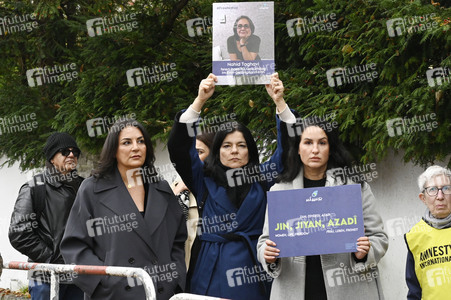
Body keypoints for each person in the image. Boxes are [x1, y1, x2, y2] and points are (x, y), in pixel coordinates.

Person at [168, 73, 295, 299]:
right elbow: (179, 148)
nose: (234, 151)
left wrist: (279, 102)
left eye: (241, 145)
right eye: (227, 145)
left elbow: (288, 151)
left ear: (250, 151)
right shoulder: (203, 178)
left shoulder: (262, 177)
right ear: (217, 151)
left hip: (252, 267)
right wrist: (199, 101)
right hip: (210, 266)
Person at [257, 111, 388, 300]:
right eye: (308, 142)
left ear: (331, 147)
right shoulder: (280, 191)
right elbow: (265, 241)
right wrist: (267, 255)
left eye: (322, 143)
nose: (315, 150)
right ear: (298, 147)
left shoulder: (355, 187)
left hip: (349, 288)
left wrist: (364, 253)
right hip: (294, 289)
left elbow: (379, 236)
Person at [60, 119, 186, 300]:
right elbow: (74, 247)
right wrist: (105, 283)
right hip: (113, 295)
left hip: (160, 292)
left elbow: (177, 240)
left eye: (140, 141)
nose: (136, 147)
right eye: (127, 142)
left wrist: (174, 278)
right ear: (113, 150)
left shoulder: (162, 188)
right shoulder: (92, 189)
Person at [9, 132, 84, 300]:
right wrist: (50, 259)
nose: (71, 155)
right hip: (45, 279)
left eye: (75, 152)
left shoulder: (84, 186)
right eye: (65, 151)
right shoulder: (34, 188)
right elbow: (18, 233)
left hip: (79, 277)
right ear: (52, 158)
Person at [404, 165, 451, 300]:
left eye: (446, 188)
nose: (440, 196)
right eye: (432, 190)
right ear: (423, 198)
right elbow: (414, 291)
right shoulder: (414, 236)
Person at [171, 131, 215, 270]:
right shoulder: (176, 185)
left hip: (201, 267)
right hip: (176, 266)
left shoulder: (216, 188)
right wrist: (175, 193)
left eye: (199, 152)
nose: (193, 158)